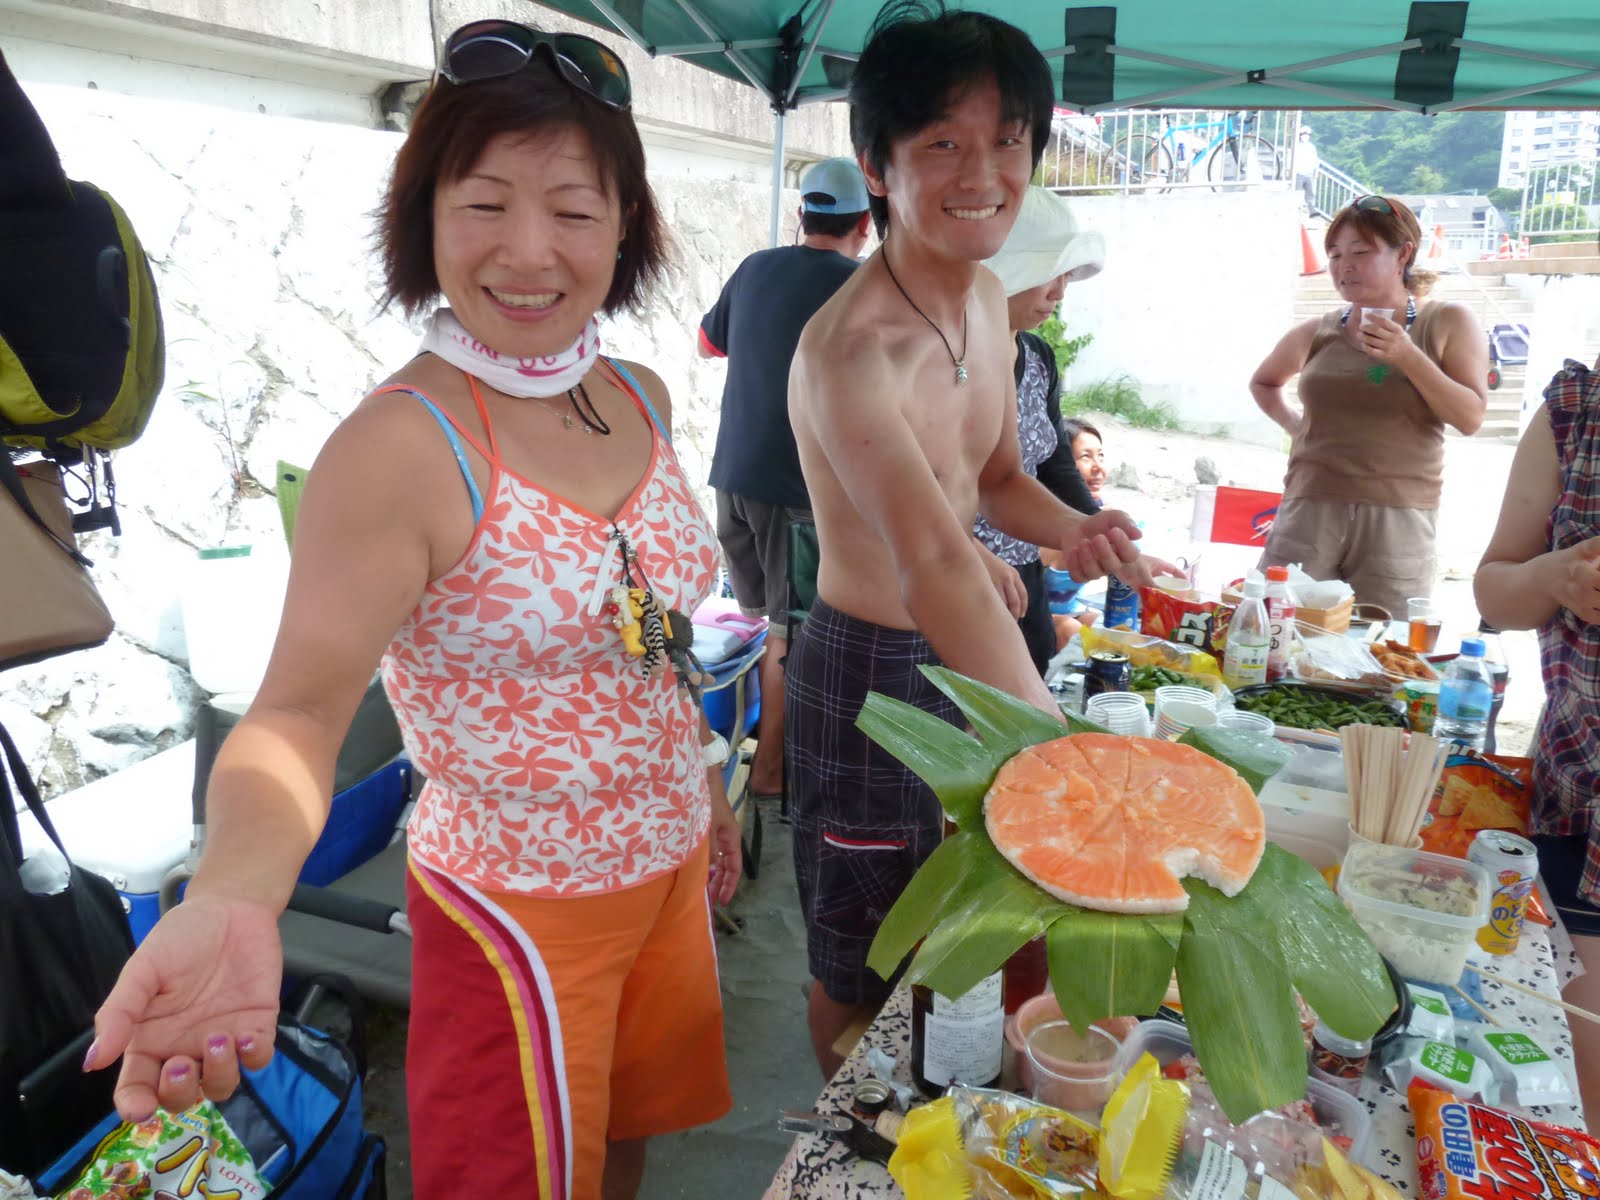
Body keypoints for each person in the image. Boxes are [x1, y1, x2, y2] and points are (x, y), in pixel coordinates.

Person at [84, 21, 739, 1198]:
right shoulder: (399, 447)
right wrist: (234, 897)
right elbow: (291, 713)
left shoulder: (638, 393)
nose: (529, 251)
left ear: (626, 227)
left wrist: (698, 787)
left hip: (667, 868)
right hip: (515, 914)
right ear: (424, 215)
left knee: (622, 1147)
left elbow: (650, 642)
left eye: (575, 211)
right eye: (484, 204)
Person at [785, 0, 1168, 1078]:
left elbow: (996, 482)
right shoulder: (852, 350)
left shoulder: (991, 310)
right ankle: (854, 1143)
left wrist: (1076, 529)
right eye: (942, 142)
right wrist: (1054, 744)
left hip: (973, 650)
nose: (982, 173)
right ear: (877, 163)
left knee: (976, 918)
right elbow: (934, 556)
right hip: (872, 675)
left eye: (1007, 141)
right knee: (863, 952)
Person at [697, 157, 872, 798]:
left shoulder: (754, 268)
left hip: (733, 476)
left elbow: (706, 343)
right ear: (868, 222)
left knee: (759, 621)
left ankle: (743, 753)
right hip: (796, 492)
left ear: (803, 215)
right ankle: (771, 771)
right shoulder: (861, 286)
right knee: (787, 636)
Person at [1249, 194, 1487, 615]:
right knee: (1280, 628)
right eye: (1335, 254)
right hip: (1310, 504)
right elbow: (1265, 382)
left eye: (1361, 252)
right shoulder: (1317, 330)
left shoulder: (1447, 321)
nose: (1344, 266)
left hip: (1399, 514)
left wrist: (1408, 356)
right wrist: (1297, 427)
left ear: (1404, 255)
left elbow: (1469, 417)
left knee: (1384, 644)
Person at [1475, 357, 1600, 1114]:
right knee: (1573, 1098)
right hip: (1574, 797)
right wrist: (1555, 577)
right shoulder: (1576, 409)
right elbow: (1495, 586)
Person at [973, 185, 1104, 673]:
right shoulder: (947, 360)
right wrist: (972, 557)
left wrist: (1093, 529)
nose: (1059, 291)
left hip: (1020, 572)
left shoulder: (1036, 357)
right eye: (1048, 274)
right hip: (956, 574)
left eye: (1065, 275)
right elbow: (906, 491)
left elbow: (1051, 462)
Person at [1042, 417, 1110, 647]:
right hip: (1030, 618)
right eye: (1085, 456)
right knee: (1071, 630)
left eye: (1101, 455)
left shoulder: (1100, 516)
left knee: (1111, 631)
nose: (1098, 467)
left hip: (1073, 611)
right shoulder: (1034, 522)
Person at [1293, 126, 1320, 217]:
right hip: (1298, 173)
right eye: (1304, 134)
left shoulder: (1311, 147)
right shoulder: (1296, 146)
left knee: (1310, 193)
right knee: (1298, 193)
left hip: (1309, 173)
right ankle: (1297, 211)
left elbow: (1315, 160)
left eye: (1307, 134)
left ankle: (1312, 210)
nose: (1305, 136)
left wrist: (1316, 170)